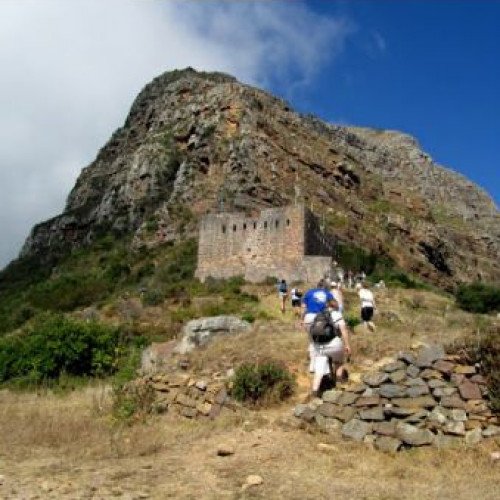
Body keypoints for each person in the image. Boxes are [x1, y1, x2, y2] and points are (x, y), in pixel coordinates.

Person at [309, 301, 352, 397]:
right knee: (338, 363)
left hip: (319, 346)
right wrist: (347, 345)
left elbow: (311, 331)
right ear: (336, 306)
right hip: (333, 344)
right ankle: (339, 386)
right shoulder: (337, 314)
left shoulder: (318, 315)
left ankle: (315, 393)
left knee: (318, 372)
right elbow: (343, 330)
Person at [300, 279, 335, 373]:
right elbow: (335, 305)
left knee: (311, 340)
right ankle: (323, 365)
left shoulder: (309, 293)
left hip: (309, 317)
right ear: (324, 286)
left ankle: (312, 364)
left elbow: (303, 307)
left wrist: (301, 319)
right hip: (320, 318)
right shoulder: (327, 293)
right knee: (322, 340)